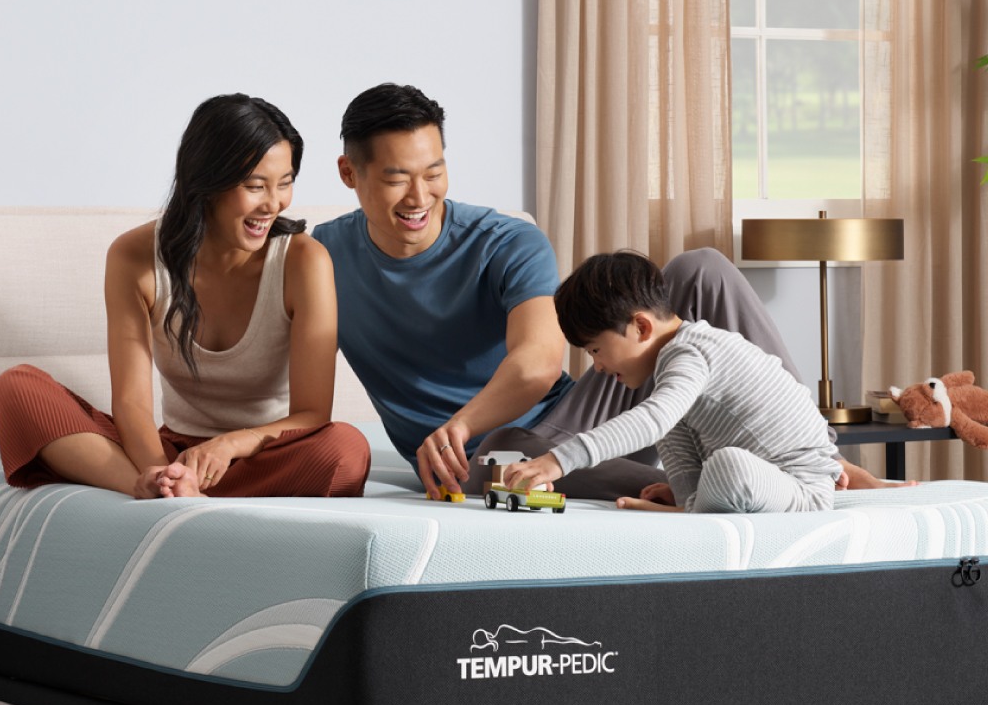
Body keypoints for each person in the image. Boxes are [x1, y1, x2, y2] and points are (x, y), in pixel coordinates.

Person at [313, 81, 883, 502]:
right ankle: (702, 489)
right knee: (502, 453)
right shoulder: (321, 258)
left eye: (433, 171)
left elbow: (538, 364)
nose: (420, 195)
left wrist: (458, 421)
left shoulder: (505, 240)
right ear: (349, 173)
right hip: (484, 457)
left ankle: (813, 454)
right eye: (395, 178)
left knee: (702, 267)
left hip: (578, 409)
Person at [0, 94, 370, 500]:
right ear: (206, 182)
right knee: (17, 388)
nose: (273, 203)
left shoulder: (304, 261)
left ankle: (174, 493)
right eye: (255, 186)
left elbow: (312, 414)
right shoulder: (133, 257)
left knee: (347, 449)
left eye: (285, 182)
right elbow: (132, 402)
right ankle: (157, 489)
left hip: (265, 453)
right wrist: (161, 470)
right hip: (169, 452)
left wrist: (229, 444)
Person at [499, 252, 841, 514]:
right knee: (677, 428)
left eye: (597, 350)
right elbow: (672, 433)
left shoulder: (691, 352)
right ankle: (690, 505)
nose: (598, 367)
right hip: (771, 479)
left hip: (801, 489)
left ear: (642, 327)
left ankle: (687, 514)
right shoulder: (673, 361)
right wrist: (688, 492)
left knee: (724, 462)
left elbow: (652, 421)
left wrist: (557, 460)